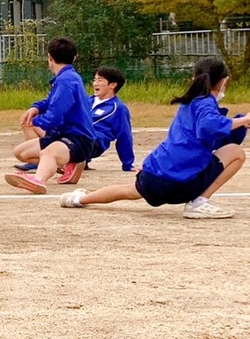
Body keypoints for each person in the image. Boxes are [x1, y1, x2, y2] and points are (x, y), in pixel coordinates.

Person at [62, 56, 248, 219]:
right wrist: (242, 121)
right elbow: (210, 126)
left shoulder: (189, 103)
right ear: (224, 82)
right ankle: (199, 203)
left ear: (194, 78)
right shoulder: (206, 104)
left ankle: (78, 199)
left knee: (129, 190)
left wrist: (239, 124)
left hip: (154, 174)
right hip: (180, 182)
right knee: (236, 153)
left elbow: (211, 134)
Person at [5, 36, 95, 195]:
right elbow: (50, 101)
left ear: (50, 57)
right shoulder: (66, 77)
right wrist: (36, 108)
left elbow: (54, 116)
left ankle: (38, 180)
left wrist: (35, 121)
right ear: (74, 58)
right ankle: (70, 165)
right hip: (63, 136)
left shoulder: (66, 80)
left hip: (77, 138)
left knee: (48, 153)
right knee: (21, 152)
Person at [83, 66, 136, 178]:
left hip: (93, 142)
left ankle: (74, 160)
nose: (95, 83)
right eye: (94, 80)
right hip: (72, 137)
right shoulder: (85, 101)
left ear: (112, 85)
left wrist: (128, 164)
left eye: (100, 80)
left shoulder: (119, 108)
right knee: (37, 124)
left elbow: (124, 136)